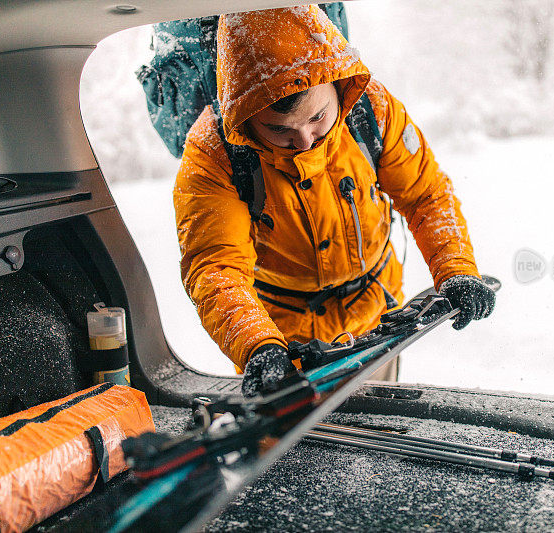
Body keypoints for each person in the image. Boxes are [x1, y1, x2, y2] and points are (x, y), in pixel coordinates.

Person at [173, 5, 495, 396]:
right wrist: (258, 345)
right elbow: (215, 265)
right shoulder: (213, 152)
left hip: (379, 324)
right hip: (284, 343)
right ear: (244, 117)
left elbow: (426, 195)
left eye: (318, 117)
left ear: (336, 83)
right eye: (279, 130)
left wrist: (455, 268)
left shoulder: (372, 110)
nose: (305, 140)